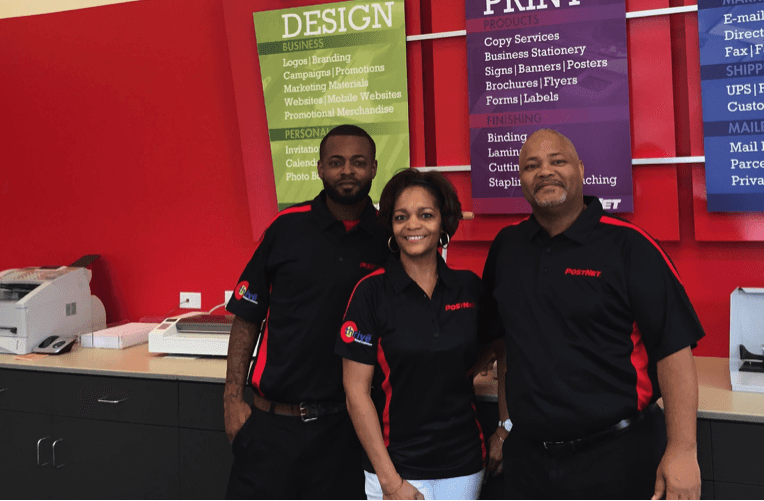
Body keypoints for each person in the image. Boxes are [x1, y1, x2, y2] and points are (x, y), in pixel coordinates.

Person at [480, 129, 705, 501]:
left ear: (581, 169)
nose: (545, 172)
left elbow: (674, 351)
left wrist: (682, 451)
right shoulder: (508, 247)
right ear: (520, 179)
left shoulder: (630, 246)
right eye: (531, 166)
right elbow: (504, 343)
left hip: (618, 456)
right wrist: (505, 426)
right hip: (529, 461)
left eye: (558, 161)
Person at [223, 125, 390, 500]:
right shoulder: (286, 228)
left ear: (375, 168)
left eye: (358, 162)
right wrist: (232, 398)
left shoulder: (387, 238)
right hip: (271, 425)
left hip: (346, 433)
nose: (347, 171)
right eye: (336, 162)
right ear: (319, 169)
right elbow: (247, 316)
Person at [337, 169, 485, 501]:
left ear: (443, 222)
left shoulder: (469, 286)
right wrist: (390, 481)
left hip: (463, 465)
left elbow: (498, 345)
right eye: (401, 217)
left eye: (426, 215)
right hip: (395, 467)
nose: (413, 225)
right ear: (390, 225)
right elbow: (355, 393)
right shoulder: (370, 293)